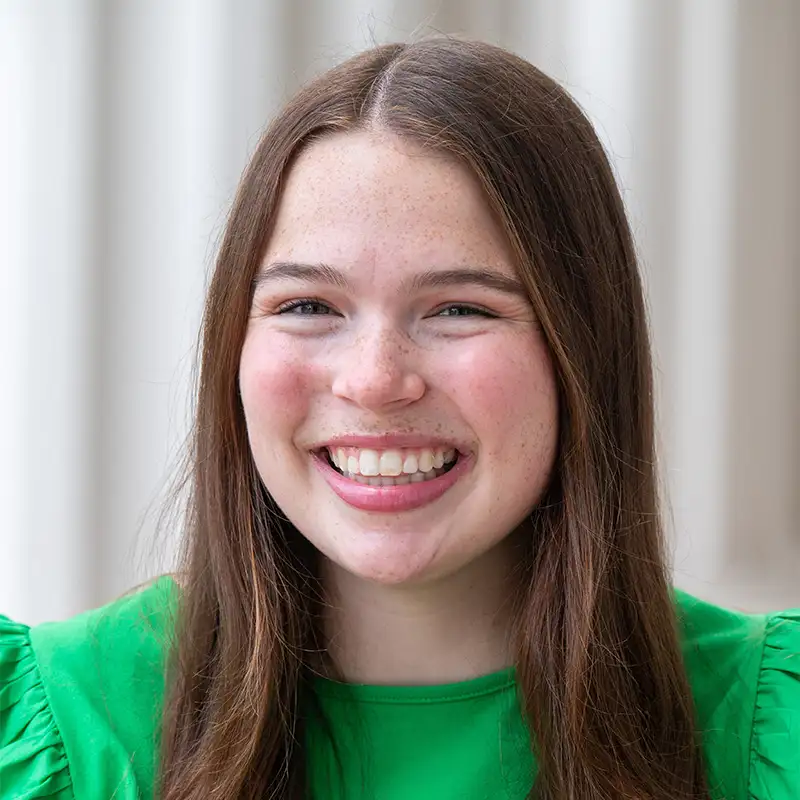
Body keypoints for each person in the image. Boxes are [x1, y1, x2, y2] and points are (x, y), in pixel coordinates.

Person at [1, 37, 798, 800]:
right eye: (308, 305)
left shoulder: (767, 731)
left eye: (458, 308)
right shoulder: (57, 726)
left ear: (583, 347)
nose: (376, 381)